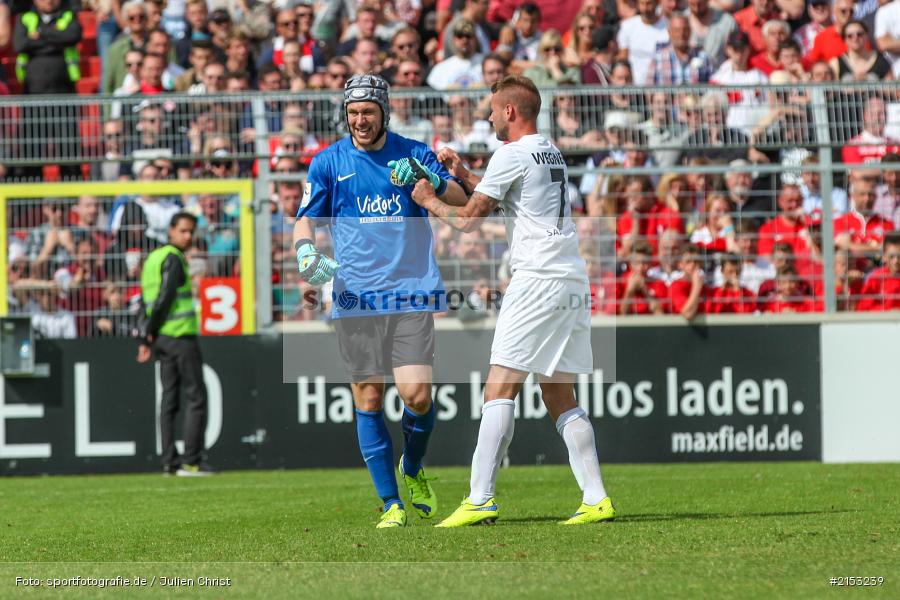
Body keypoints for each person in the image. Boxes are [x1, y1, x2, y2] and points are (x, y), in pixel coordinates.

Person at [410, 75, 616, 527]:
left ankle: (480, 497)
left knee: (498, 389)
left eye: (491, 109)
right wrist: (463, 173)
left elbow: (467, 221)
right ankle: (596, 497)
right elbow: (514, 200)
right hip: (569, 277)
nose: (487, 116)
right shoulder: (548, 150)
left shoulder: (511, 153)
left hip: (537, 279)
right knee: (558, 392)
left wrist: (428, 199)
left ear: (509, 112)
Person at [293, 74, 468, 528]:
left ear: (383, 111)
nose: (360, 120)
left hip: (411, 288)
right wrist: (306, 255)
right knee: (368, 397)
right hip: (355, 296)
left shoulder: (413, 151)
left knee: (418, 396)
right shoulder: (328, 162)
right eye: (352, 113)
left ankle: (411, 467)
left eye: (367, 111)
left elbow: (459, 196)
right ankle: (391, 504)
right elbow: (303, 222)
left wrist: (428, 177)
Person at [137, 212, 212, 477]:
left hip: (161, 339)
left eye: (191, 231)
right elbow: (165, 297)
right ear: (171, 230)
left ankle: (170, 462)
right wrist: (149, 330)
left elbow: (145, 300)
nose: (188, 236)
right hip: (179, 336)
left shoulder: (152, 259)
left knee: (169, 401)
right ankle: (191, 461)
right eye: (183, 231)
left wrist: (146, 335)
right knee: (196, 397)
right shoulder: (174, 259)